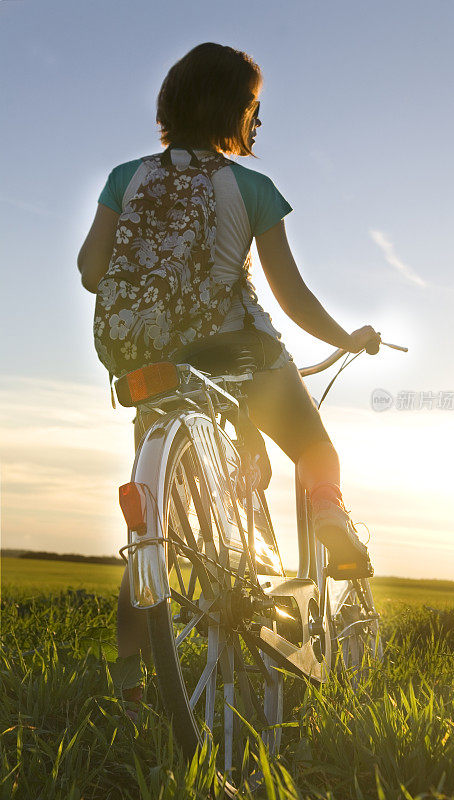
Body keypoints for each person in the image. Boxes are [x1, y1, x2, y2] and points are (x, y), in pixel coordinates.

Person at [77, 42, 380, 714]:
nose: (258, 122)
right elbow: (294, 297)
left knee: (150, 527)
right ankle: (329, 513)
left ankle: (130, 682)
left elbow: (91, 270)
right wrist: (346, 337)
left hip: (152, 363)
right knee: (315, 449)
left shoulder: (124, 179)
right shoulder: (253, 189)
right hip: (239, 354)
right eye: (253, 107)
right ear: (229, 109)